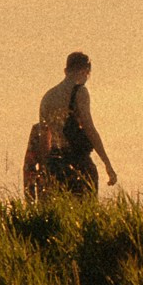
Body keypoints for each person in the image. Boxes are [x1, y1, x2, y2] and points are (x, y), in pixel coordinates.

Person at [36, 52, 117, 197]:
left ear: (66, 71)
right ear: (85, 71)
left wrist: (45, 168)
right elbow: (89, 128)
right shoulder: (80, 91)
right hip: (78, 161)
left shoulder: (47, 97)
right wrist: (107, 164)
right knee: (85, 210)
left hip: (54, 162)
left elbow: (44, 136)